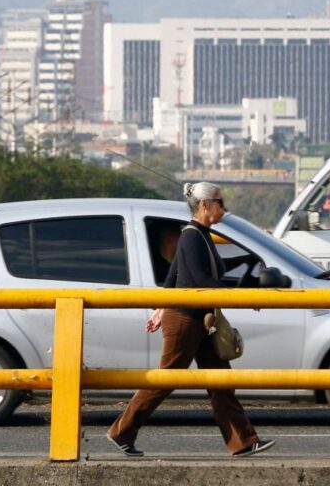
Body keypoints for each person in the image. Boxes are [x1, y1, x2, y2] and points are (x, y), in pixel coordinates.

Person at [107, 182, 275, 459]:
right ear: (204, 205)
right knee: (166, 379)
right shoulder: (192, 237)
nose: (224, 207)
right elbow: (201, 281)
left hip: (198, 319)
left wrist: (161, 306)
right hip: (185, 319)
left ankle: (243, 441)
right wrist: (243, 297)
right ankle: (121, 431)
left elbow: (175, 275)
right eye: (220, 202)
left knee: (220, 380)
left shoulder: (201, 235)